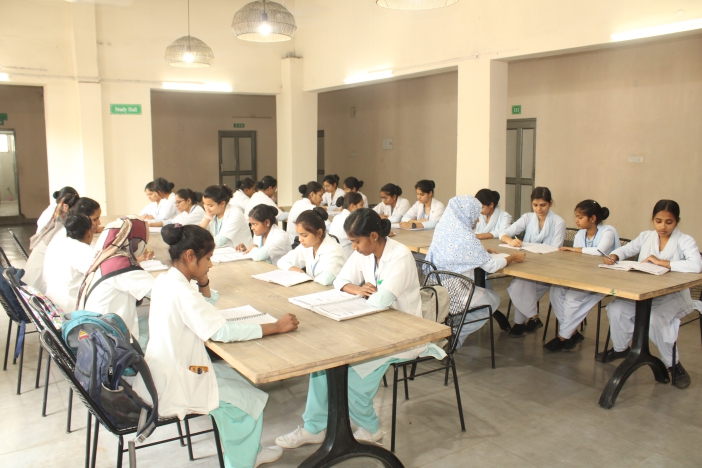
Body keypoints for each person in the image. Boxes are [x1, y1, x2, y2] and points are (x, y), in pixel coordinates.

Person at [132, 224, 299, 468]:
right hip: (179, 379)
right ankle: (242, 461)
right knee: (249, 400)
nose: (210, 264)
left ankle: (247, 451)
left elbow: (202, 310)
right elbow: (220, 331)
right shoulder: (181, 291)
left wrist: (203, 281)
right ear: (190, 256)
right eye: (208, 258)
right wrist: (275, 327)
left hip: (172, 369)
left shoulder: (166, 280)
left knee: (238, 381)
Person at [276, 209, 444, 449]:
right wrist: (357, 290)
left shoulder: (400, 255)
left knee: (350, 376)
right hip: (370, 325)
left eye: (356, 241)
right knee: (322, 365)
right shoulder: (364, 252)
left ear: (374, 236)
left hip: (402, 335)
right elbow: (340, 280)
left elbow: (382, 300)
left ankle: (372, 429)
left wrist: (366, 295)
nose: (353, 247)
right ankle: (314, 428)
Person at [601, 200, 702, 388]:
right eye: (658, 221)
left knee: (654, 318)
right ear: (653, 219)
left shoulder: (685, 240)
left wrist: (663, 262)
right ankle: (622, 349)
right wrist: (615, 255)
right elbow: (627, 249)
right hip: (644, 293)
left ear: (677, 221)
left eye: (669, 222)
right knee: (616, 308)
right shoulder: (646, 236)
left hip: (672, 296)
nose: (663, 226)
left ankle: (673, 364)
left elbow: (696, 265)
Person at [426, 196, 525, 343]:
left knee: (484, 292)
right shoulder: (466, 236)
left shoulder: (443, 228)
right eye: (475, 215)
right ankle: (454, 335)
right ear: (467, 213)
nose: (477, 220)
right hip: (455, 293)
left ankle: (451, 328)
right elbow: (491, 266)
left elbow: (457, 250)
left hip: (436, 288)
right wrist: (513, 257)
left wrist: (480, 251)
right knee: (493, 300)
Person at [545, 200, 620, 352]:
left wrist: (575, 250)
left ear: (592, 218)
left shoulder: (608, 232)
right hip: (583, 275)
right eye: (576, 217)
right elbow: (577, 259)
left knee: (572, 298)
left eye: (580, 217)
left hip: (604, 278)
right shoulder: (580, 234)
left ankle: (563, 336)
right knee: (555, 290)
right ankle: (572, 333)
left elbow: (600, 251)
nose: (576, 220)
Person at [498, 187, 565, 337]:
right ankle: (532, 318)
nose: (538, 209)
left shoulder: (558, 222)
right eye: (535, 205)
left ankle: (521, 322)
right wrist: (510, 241)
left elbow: (555, 249)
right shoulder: (527, 217)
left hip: (547, 267)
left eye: (543, 205)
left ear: (551, 203)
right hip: (527, 264)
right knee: (521, 286)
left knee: (518, 287)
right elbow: (504, 233)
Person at [77, 216, 155, 338]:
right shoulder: (121, 265)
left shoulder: (105, 258)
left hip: (95, 331)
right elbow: (160, 291)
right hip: (108, 340)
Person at [23, 192, 81, 291]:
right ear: (66, 207)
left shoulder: (57, 222)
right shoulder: (62, 231)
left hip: (31, 285)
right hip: (36, 290)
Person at [277, 208, 347, 286]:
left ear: (319, 233)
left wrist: (304, 277)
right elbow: (282, 261)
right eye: (299, 235)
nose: (300, 239)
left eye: (304, 235)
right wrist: (297, 271)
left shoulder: (334, 251)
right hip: (313, 289)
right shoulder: (308, 246)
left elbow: (325, 280)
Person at [42, 214, 97, 313]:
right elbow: (100, 274)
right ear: (88, 232)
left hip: (52, 305)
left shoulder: (61, 244)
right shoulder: (83, 251)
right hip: (69, 311)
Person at [329, 192, 364, 258]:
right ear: (352, 206)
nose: (363, 208)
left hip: (335, 253)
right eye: (361, 205)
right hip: (347, 255)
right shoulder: (352, 221)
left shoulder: (336, 217)